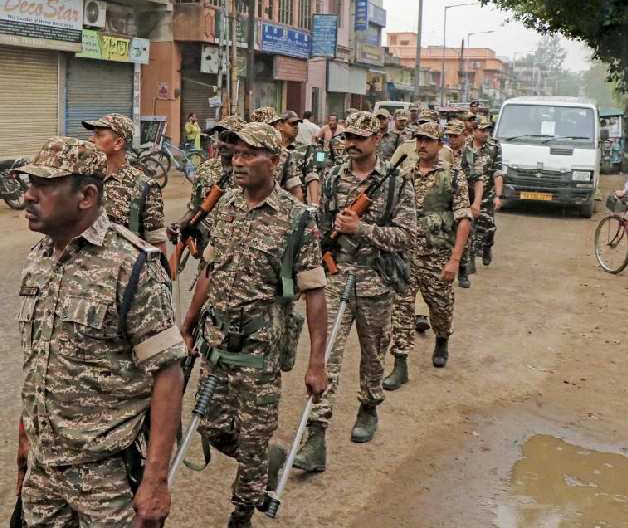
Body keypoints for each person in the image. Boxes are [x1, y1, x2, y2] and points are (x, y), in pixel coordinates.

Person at [15, 136, 185, 527]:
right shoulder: (38, 258)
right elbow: (38, 360)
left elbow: (167, 373)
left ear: (86, 196)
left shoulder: (132, 266)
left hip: (106, 477)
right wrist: (25, 438)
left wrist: (156, 480)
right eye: (29, 183)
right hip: (44, 472)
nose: (28, 196)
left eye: (44, 186)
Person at [180, 121, 328, 527]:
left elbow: (315, 292)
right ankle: (267, 460)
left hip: (260, 354)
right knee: (211, 426)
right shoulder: (226, 205)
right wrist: (188, 323)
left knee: (252, 436)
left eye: (248, 155)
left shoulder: (297, 219)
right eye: (235, 155)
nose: (238, 162)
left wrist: (317, 363)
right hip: (217, 344)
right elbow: (209, 269)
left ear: (274, 161)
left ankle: (241, 514)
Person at [293, 111, 415, 474]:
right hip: (337, 280)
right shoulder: (332, 177)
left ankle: (369, 405)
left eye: (360, 138)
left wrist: (363, 229)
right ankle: (316, 435)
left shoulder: (396, 183)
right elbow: (323, 230)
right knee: (325, 356)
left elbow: (407, 237)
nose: (351, 144)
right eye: (348, 137)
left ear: (377, 139)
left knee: (374, 357)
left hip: (377, 282)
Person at [389, 121, 471, 382]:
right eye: (418, 140)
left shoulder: (453, 175)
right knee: (401, 308)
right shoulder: (404, 174)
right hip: (406, 255)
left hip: (437, 255)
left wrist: (455, 261)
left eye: (428, 140)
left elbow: (463, 218)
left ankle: (442, 338)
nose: (422, 145)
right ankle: (400, 363)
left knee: (440, 307)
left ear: (439, 144)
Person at [86, 113, 168, 254]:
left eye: (99, 135)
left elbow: (157, 244)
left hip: (122, 271)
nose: (91, 139)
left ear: (118, 143)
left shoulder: (143, 186)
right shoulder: (83, 178)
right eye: (93, 134)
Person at [167, 115, 240, 253]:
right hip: (208, 247)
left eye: (231, 139)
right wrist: (179, 224)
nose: (223, 143)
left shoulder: (249, 171)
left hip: (237, 248)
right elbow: (195, 208)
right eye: (222, 138)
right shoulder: (206, 169)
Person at [445, 119, 484, 288]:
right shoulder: (442, 152)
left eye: (455, 136)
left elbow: (478, 180)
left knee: (465, 236)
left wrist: (476, 203)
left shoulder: (470, 154)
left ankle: (462, 271)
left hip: (464, 200)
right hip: (445, 200)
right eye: (449, 136)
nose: (452, 139)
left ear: (464, 135)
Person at [468, 117, 503, 265]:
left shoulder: (494, 146)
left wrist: (498, 195)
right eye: (482, 130)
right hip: (467, 193)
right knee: (468, 226)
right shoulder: (465, 145)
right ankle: (469, 258)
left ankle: (487, 246)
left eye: (487, 130)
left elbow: (497, 171)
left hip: (487, 194)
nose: (485, 133)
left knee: (488, 227)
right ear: (474, 130)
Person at [250, 106, 304, 200]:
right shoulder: (242, 152)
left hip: (275, 209)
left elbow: (296, 190)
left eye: (274, 125)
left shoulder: (285, 154)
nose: (274, 128)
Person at [276, 110, 319, 203]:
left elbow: (312, 177)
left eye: (297, 124)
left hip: (297, 203)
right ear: (280, 125)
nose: (296, 126)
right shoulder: (273, 149)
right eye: (292, 123)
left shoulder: (305, 149)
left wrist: (315, 204)